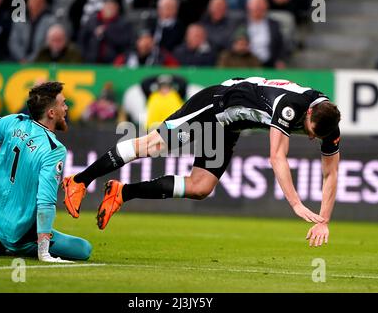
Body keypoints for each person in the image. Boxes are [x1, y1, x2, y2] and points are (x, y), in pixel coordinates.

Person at [63, 76, 341, 248]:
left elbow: (331, 174)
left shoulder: (330, 124)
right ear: (309, 115)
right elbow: (277, 157)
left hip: (230, 125)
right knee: (153, 144)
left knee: (200, 187)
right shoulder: (290, 107)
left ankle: (122, 193)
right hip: (216, 104)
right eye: (310, 132)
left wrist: (324, 220)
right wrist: (295, 203)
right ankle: (79, 180)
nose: (310, 138)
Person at [0, 51, 92, 262]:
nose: (67, 108)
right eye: (63, 103)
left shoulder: (14, 122)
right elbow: (46, 201)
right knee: (84, 249)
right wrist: (44, 251)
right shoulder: (54, 149)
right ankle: (19, 247)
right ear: (51, 113)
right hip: (20, 232)